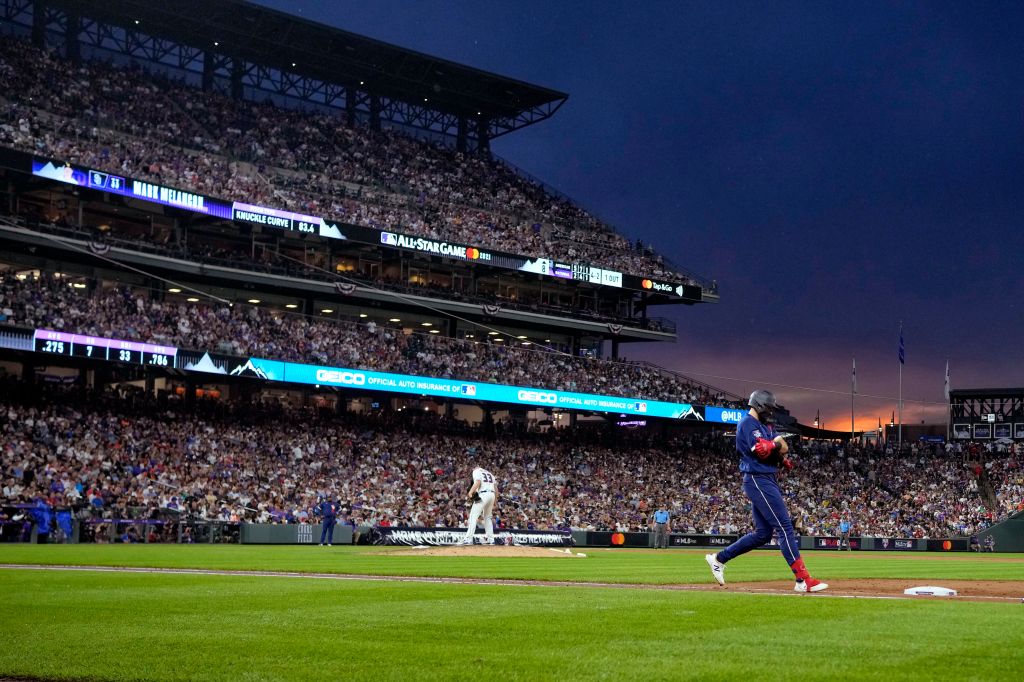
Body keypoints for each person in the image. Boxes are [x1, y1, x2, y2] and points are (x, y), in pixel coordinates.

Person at [705, 390, 828, 592]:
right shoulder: (747, 424)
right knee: (785, 527)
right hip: (757, 478)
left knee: (763, 534)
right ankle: (803, 580)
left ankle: (719, 558)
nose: (771, 412)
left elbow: (783, 446)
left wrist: (774, 446)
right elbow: (761, 451)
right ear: (760, 405)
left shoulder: (764, 425)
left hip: (766, 478)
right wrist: (773, 446)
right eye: (769, 407)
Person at [462, 465, 498, 545]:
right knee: (488, 517)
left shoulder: (476, 471)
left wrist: (470, 492)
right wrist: (495, 501)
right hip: (492, 495)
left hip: (483, 494)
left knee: (473, 516)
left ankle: (468, 539)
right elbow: (496, 489)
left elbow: (478, 482)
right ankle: (491, 539)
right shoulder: (490, 474)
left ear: (475, 467)